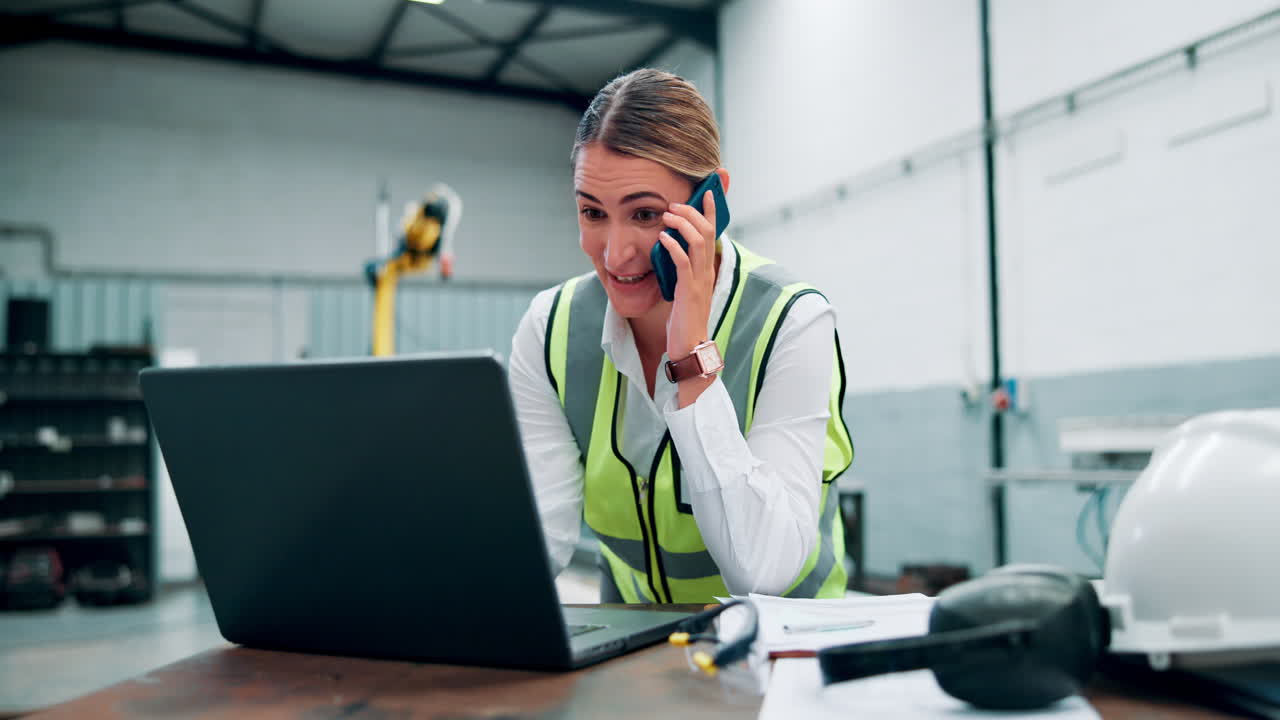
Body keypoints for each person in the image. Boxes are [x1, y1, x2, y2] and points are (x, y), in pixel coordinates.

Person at [508, 69, 853, 603]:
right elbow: (534, 545)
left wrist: (692, 357)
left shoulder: (791, 320)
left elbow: (763, 571)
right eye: (592, 213)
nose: (615, 252)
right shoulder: (549, 330)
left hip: (783, 656)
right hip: (638, 654)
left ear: (713, 199)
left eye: (644, 214)